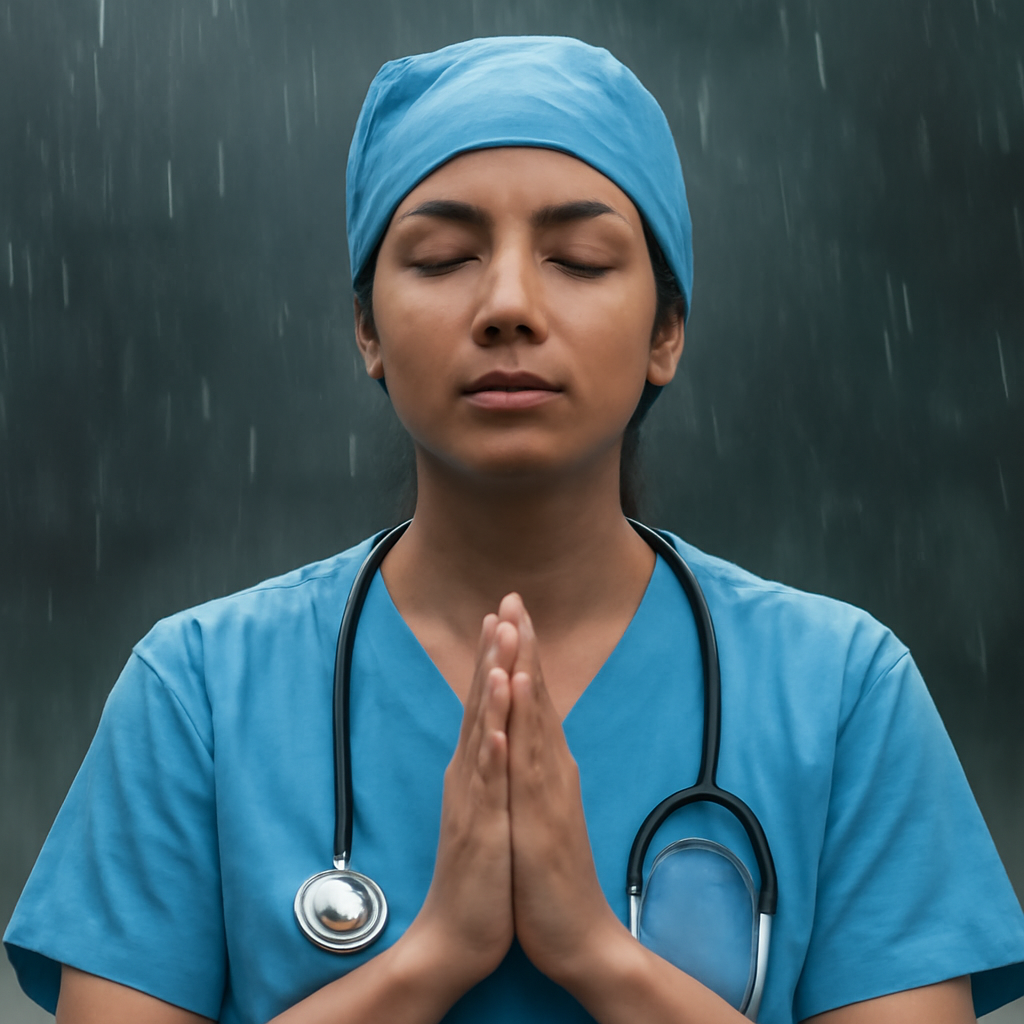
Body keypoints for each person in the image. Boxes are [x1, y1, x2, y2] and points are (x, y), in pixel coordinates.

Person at [5, 35, 1024, 1024]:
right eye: (444, 256)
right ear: (366, 328)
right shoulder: (197, 694)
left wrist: (591, 950)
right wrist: (433, 958)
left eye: (577, 259)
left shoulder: (841, 693)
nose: (506, 304)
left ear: (665, 330)